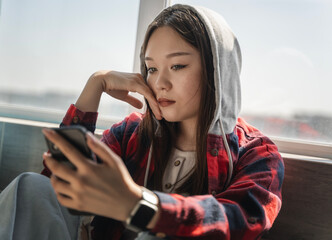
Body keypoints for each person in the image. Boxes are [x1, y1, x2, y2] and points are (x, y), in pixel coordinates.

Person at [0, 4, 284, 240]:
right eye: (151, 68)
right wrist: (95, 85)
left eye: (177, 66)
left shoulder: (257, 154)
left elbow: (239, 222)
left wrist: (141, 206)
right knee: (30, 186)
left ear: (217, 71)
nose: (160, 82)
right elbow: (57, 192)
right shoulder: (131, 133)